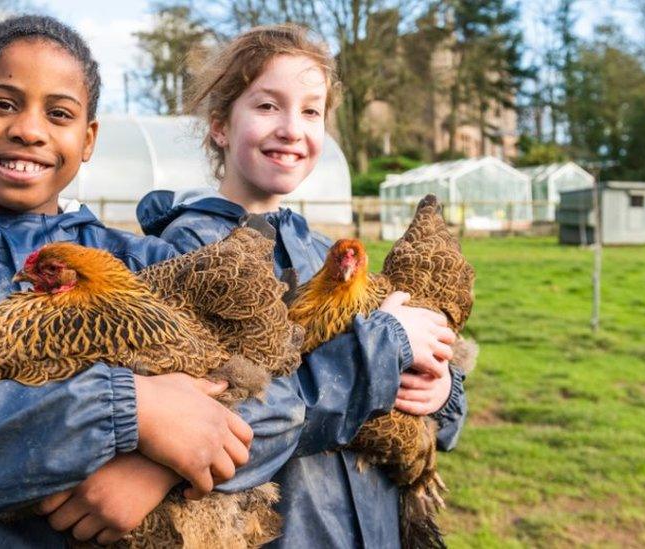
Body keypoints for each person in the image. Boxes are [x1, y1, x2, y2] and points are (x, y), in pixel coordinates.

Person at [0, 15, 304, 547]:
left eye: (59, 113)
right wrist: (127, 410)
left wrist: (159, 469)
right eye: (3, 104)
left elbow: (277, 397)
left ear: (88, 138)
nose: (29, 129)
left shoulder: (146, 261)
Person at [137, 24, 468, 548]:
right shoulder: (190, 255)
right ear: (220, 125)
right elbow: (235, 415)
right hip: (280, 529)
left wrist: (440, 391)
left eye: (311, 111)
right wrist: (386, 345)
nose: (293, 128)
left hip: (371, 525)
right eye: (268, 106)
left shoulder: (326, 252)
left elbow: (431, 418)